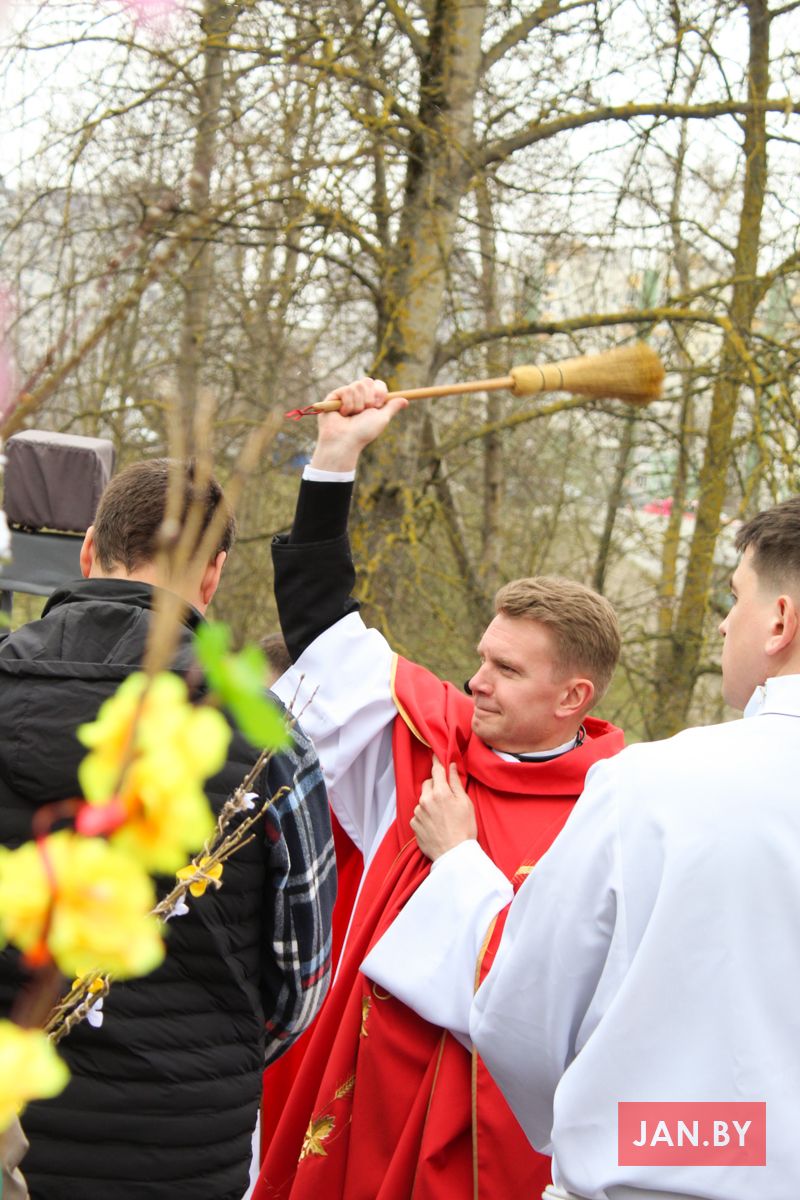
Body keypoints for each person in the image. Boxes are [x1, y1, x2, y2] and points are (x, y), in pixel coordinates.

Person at [366, 496, 800, 1200]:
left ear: (779, 621)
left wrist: (460, 867)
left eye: (736, 596)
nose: (725, 623)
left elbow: (523, 1012)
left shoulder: (652, 784)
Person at [256, 379, 626, 1200]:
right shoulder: (429, 738)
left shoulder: (622, 811)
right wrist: (335, 457)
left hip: (500, 1150)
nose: (476, 680)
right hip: (365, 1109)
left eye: (506, 670)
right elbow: (322, 625)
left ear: (573, 697)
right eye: (483, 656)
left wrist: (458, 860)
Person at [0, 458, 337, 1200]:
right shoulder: (264, 737)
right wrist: (212, 1054)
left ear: (89, 549)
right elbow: (301, 981)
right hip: (180, 1142)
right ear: (213, 575)